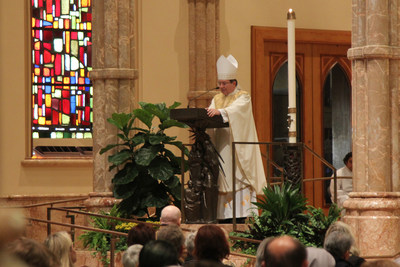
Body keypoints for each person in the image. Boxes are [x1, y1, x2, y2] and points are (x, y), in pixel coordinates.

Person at [206, 54, 267, 220]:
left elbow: (237, 111)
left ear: (234, 83)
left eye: (224, 83)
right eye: (219, 83)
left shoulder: (243, 97)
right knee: (223, 178)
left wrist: (222, 112)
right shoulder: (217, 98)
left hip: (237, 149)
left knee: (237, 177)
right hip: (221, 147)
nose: (221, 87)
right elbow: (210, 112)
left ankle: (240, 217)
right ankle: (222, 217)